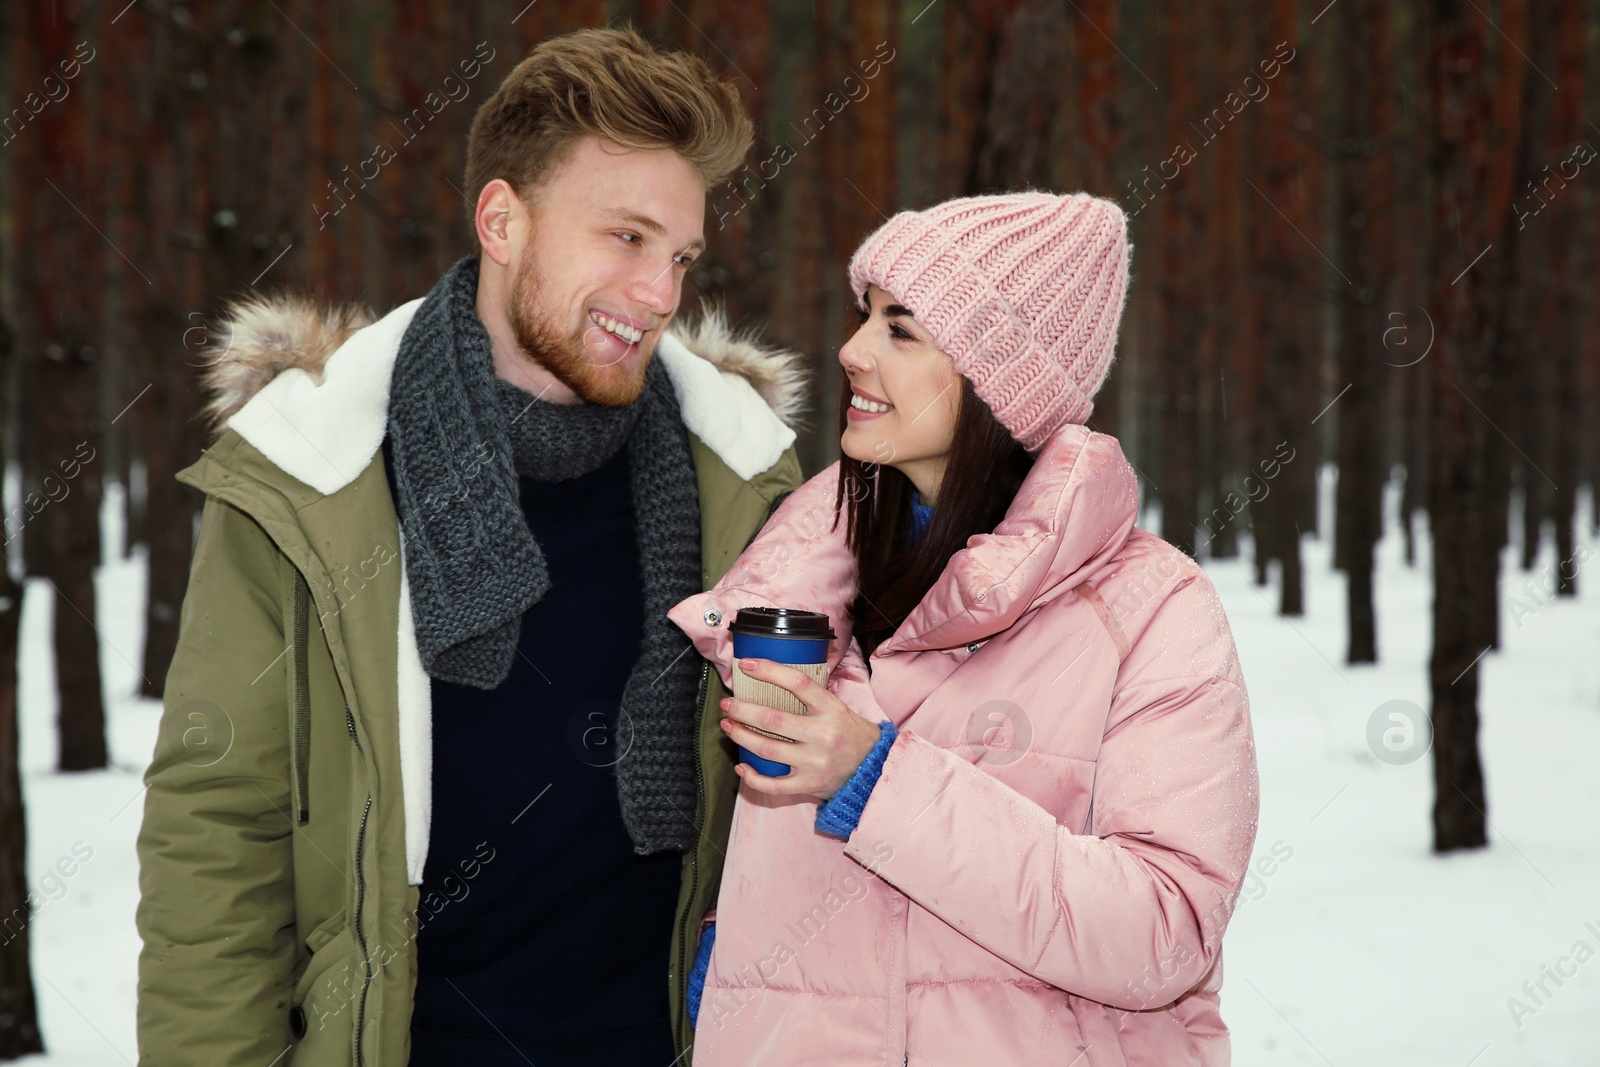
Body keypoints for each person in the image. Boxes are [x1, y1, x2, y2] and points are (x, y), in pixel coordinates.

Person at [135, 28, 805, 1067]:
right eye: (625, 237)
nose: (661, 292)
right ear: (502, 219)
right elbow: (217, 832)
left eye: (678, 256)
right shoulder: (314, 475)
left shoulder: (746, 486)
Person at [669, 192, 1260, 1065]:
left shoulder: (1154, 611)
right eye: (865, 317)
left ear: (998, 384)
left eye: (901, 331)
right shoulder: (795, 579)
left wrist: (877, 778)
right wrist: (735, 960)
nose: (851, 351)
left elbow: (1165, 930)